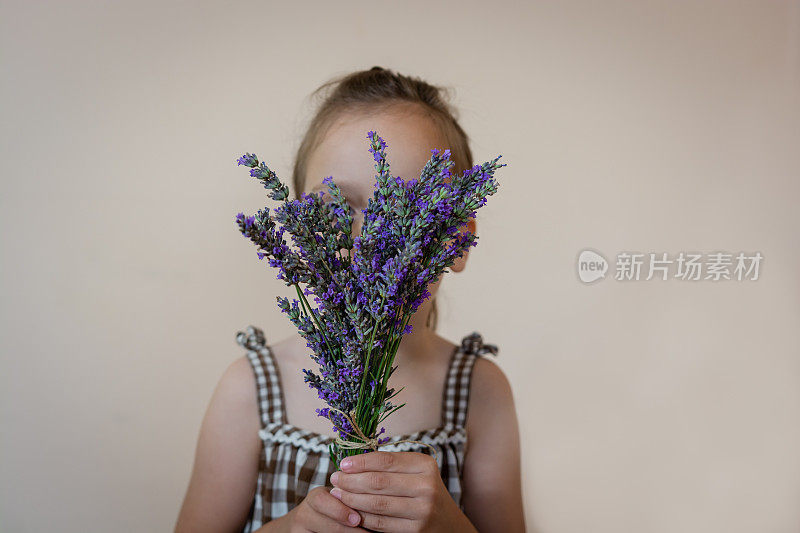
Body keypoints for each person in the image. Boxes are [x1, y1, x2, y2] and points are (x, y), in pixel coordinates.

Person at [175, 66, 525, 533]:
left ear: (456, 242)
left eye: (409, 211)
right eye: (337, 205)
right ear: (297, 227)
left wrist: (451, 528)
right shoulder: (251, 390)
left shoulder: (480, 392)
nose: (372, 236)